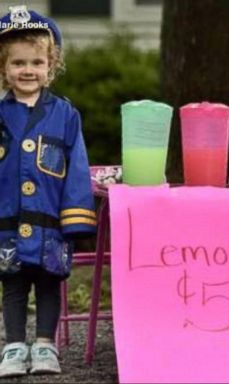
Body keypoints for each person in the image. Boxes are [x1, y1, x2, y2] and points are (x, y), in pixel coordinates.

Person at [0, 5, 97, 377]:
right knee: (12, 284)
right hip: (8, 220)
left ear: (50, 65)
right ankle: (12, 347)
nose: (28, 71)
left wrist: (75, 219)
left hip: (50, 222)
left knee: (49, 284)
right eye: (19, 63)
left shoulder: (65, 115)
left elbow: (78, 168)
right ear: (5, 68)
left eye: (37, 63)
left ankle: (44, 345)